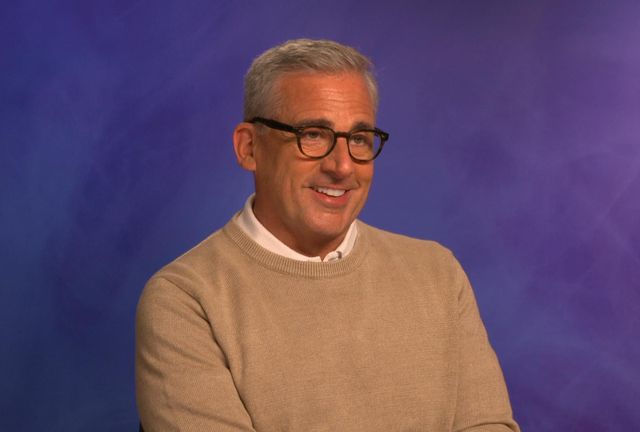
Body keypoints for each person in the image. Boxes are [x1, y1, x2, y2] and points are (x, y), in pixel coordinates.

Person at [135, 38, 521, 432]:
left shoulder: (437, 273)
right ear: (249, 147)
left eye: (359, 139)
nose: (342, 167)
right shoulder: (185, 299)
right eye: (313, 134)